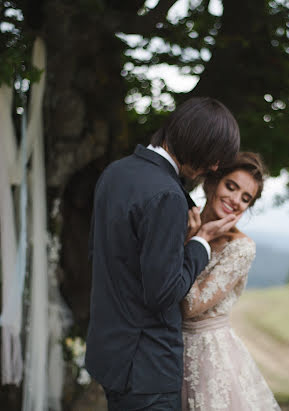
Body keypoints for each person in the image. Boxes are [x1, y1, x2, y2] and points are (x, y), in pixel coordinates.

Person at [85, 97, 241, 411]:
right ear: (197, 142)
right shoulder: (168, 195)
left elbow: (108, 256)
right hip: (147, 369)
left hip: (110, 356)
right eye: (213, 157)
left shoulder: (116, 173)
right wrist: (201, 243)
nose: (213, 167)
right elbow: (162, 293)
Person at [180, 152, 281, 410]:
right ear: (212, 182)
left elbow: (190, 306)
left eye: (245, 198)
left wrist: (194, 241)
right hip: (167, 352)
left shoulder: (240, 248)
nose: (235, 200)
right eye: (231, 186)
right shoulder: (180, 223)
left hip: (209, 362)